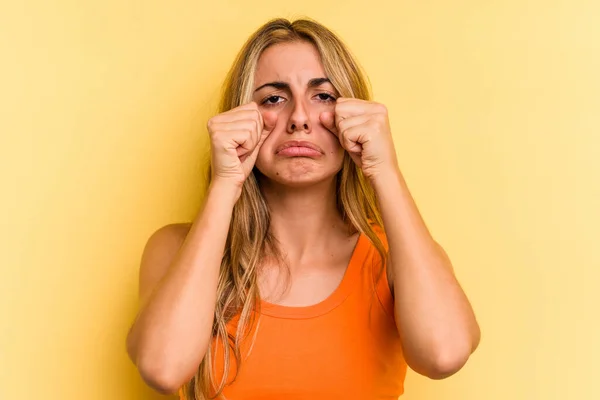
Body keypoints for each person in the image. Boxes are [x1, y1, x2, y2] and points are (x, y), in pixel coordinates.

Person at [125, 17, 480, 400]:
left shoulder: (396, 257)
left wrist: (383, 170)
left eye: (323, 96)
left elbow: (444, 355)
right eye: (273, 98)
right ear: (241, 115)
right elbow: (162, 368)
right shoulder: (176, 248)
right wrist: (225, 182)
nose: (299, 118)